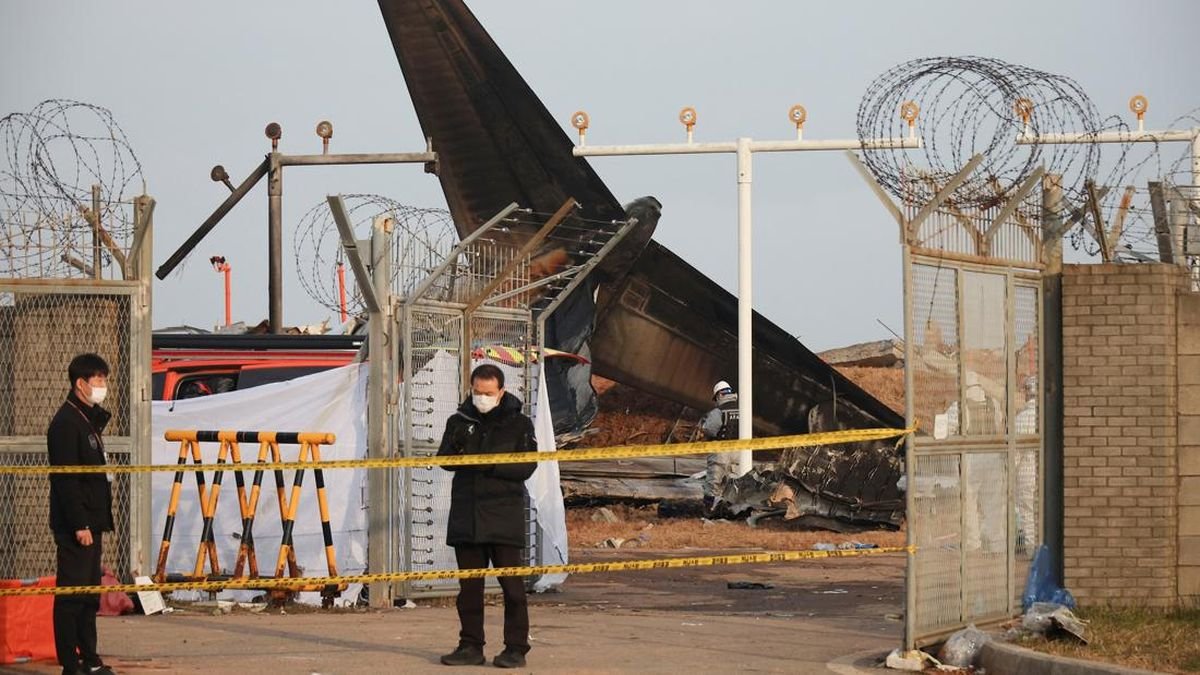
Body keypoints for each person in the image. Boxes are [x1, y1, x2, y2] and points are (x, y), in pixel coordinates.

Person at [436, 364, 538, 669]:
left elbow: (527, 466)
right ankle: (470, 645)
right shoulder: (459, 420)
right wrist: (463, 454)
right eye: (477, 393)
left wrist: (490, 464)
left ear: (501, 391)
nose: (482, 398)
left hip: (503, 516)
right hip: (467, 517)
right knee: (469, 590)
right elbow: (444, 459)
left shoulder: (518, 424)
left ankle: (516, 648)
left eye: (488, 393)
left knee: (513, 589)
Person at [47, 354, 116, 675]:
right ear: (80, 383)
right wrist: (80, 524)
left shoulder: (85, 419)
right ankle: (70, 663)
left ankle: (90, 658)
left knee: (90, 595)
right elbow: (66, 480)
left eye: (104, 379)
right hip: (77, 524)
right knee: (71, 595)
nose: (103, 386)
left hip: (94, 520)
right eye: (98, 380)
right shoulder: (65, 424)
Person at [700, 380, 739, 514]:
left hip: (720, 451)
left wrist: (703, 426)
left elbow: (710, 429)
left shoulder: (718, 411)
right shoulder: (743, 407)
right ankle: (733, 510)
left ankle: (708, 511)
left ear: (719, 395)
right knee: (735, 481)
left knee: (713, 482)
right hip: (740, 450)